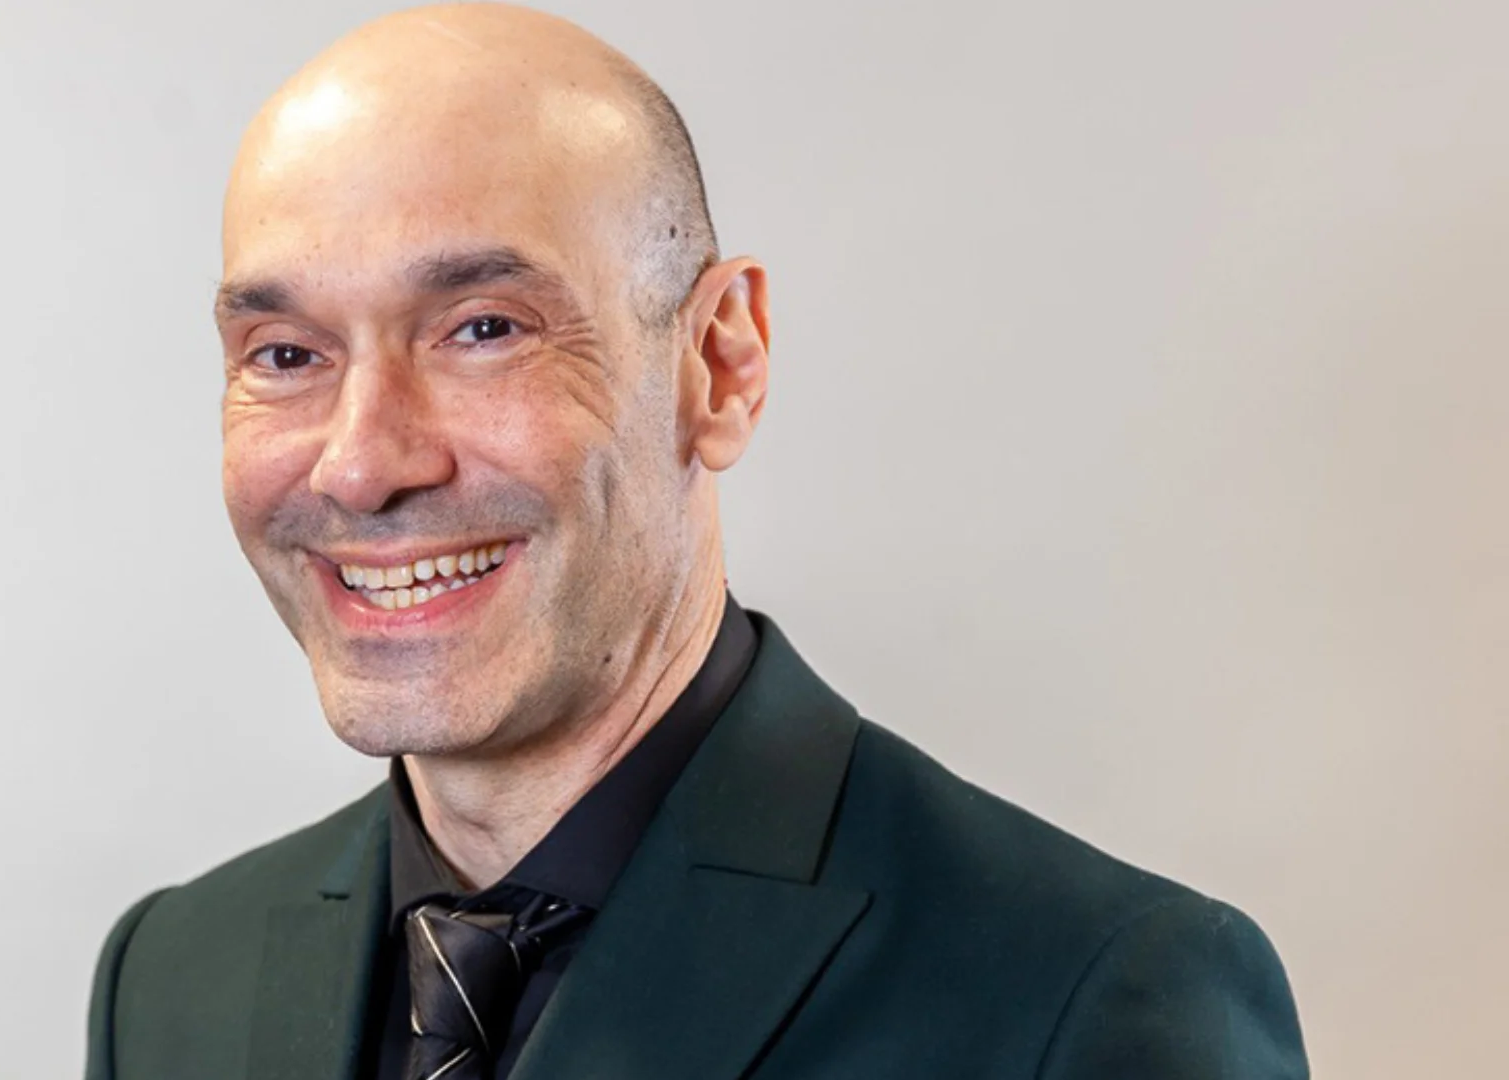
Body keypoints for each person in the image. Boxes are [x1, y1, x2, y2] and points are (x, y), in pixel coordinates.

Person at [84, 4, 1308, 1077]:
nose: (360, 464)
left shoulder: (1084, 995)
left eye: (484, 329)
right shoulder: (169, 982)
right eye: (285, 354)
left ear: (719, 364)